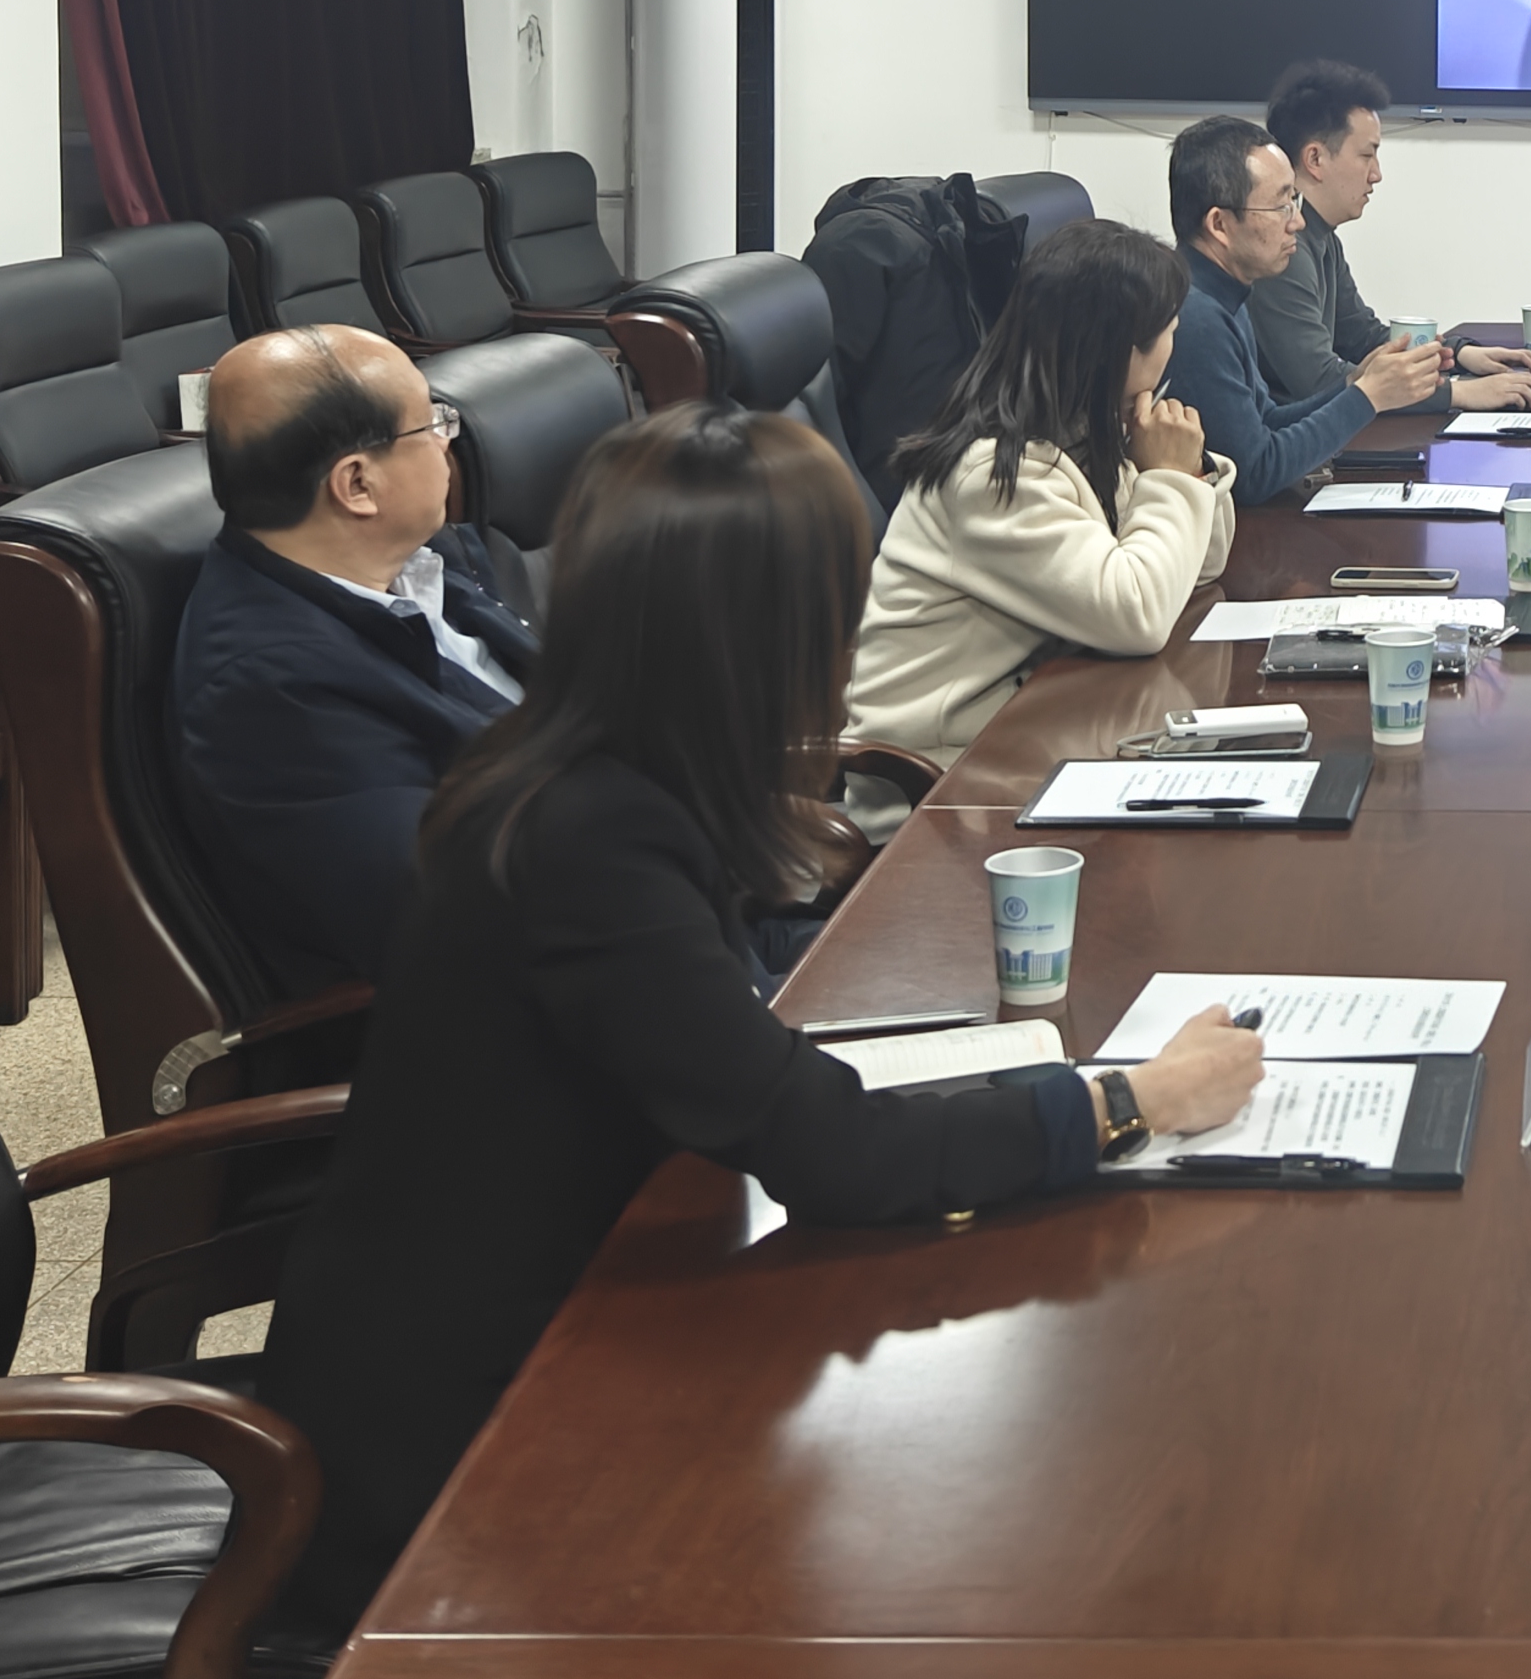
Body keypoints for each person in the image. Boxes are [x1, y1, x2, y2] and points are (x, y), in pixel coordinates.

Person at [257, 405, 1268, 1632]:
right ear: (768, 629)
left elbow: (732, 1049)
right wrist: (1126, 1102)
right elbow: (827, 1155)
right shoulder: (588, 840)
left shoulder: (588, 770)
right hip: (466, 1455)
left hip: (598, 1296)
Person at [169, 325, 536, 994]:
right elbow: (451, 927)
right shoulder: (277, 690)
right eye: (430, 424)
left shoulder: (422, 561)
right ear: (358, 483)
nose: (446, 442)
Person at [843, 219, 1239, 758]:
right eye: (1171, 329)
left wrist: (1187, 472)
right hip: (945, 778)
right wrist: (1167, 477)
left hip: (1037, 728)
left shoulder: (1083, 427)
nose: (1176, 344)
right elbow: (1139, 615)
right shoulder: (992, 471)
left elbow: (1195, 570)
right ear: (1121, 350)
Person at [1162, 115, 1443, 503]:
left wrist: (1356, 382)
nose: (1297, 221)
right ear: (1220, 225)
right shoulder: (1196, 317)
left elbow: (1268, 421)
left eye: (1294, 200)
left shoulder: (1226, 293)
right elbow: (1254, 473)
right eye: (1281, 206)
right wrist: (1368, 397)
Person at [1252, 58, 1531, 415]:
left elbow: (1362, 338)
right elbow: (1320, 381)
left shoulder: (1321, 236)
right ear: (1315, 159)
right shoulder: (1282, 248)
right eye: (1366, 155)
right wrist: (1458, 394)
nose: (1376, 174)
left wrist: (1458, 354)